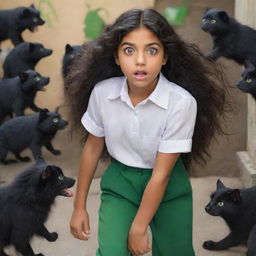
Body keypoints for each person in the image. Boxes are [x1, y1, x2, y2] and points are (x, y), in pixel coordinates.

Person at [66, 8, 230, 256]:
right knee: (111, 252)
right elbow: (92, 148)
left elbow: (161, 176)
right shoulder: (102, 93)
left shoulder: (181, 102)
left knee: (176, 252)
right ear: (116, 56)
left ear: (165, 56)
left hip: (168, 183)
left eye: (152, 50)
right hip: (121, 183)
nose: (140, 60)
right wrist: (79, 207)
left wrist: (139, 227)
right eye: (129, 50)